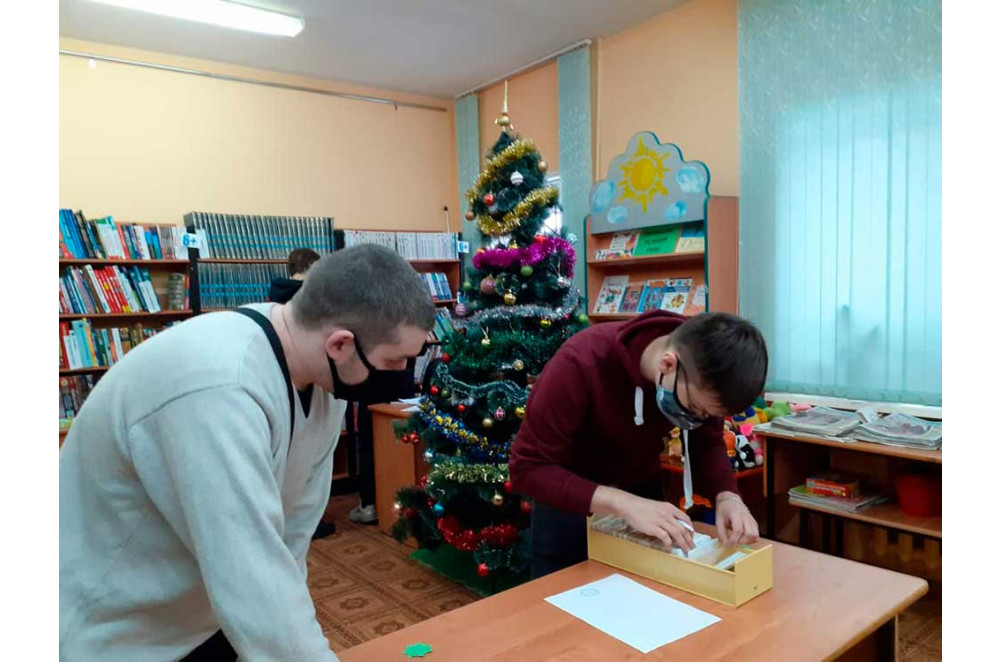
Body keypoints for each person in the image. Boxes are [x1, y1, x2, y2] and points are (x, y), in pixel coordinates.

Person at [60, 245, 436, 661]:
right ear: (341, 344)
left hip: (207, 615)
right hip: (113, 634)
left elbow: (290, 539)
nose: (403, 375)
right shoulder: (218, 385)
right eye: (395, 361)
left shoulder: (327, 379)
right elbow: (251, 574)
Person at [509, 310, 768, 579]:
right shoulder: (580, 362)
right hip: (568, 504)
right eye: (694, 408)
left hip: (644, 498)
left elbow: (707, 443)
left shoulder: (705, 370)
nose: (699, 419)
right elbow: (527, 469)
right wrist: (623, 503)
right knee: (562, 600)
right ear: (668, 364)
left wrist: (727, 496)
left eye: (708, 414)